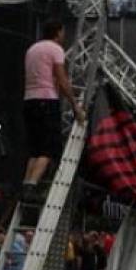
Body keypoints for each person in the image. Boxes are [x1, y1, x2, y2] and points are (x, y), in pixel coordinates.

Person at [21, 20, 86, 204]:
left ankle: (26, 184)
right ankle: (32, 185)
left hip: (29, 100)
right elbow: (61, 78)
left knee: (35, 150)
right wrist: (74, 104)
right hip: (46, 100)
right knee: (47, 149)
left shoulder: (32, 49)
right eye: (63, 32)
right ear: (58, 32)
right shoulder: (55, 49)